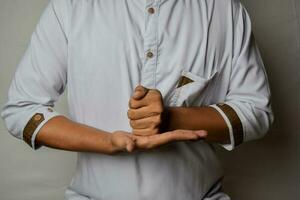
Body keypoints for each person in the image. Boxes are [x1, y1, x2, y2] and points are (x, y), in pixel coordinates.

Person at [1, 0, 274, 199]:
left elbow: (257, 111)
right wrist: (107, 142)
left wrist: (171, 117)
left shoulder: (224, 11)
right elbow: (22, 109)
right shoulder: (71, 8)